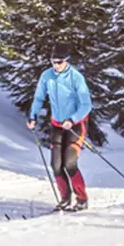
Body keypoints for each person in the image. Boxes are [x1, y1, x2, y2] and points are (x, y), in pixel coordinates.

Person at [27, 42, 93, 211]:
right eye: (53, 61)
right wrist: (32, 115)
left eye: (59, 62)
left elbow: (86, 105)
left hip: (74, 126)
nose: (56, 65)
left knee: (69, 163)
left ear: (67, 60)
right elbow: (39, 98)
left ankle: (82, 199)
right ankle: (65, 198)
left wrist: (73, 119)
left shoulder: (76, 77)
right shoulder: (47, 76)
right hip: (57, 125)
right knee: (56, 165)